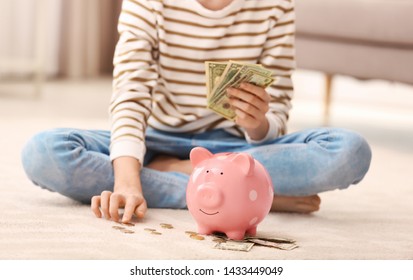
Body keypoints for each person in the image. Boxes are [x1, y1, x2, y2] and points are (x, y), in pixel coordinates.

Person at [21, 0, 371, 224]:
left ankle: (187, 176)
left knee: (349, 152)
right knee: (44, 153)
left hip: (236, 150)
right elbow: (131, 93)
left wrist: (258, 123)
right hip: (153, 140)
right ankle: (248, 195)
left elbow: (277, 111)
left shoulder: (275, 6)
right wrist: (127, 182)